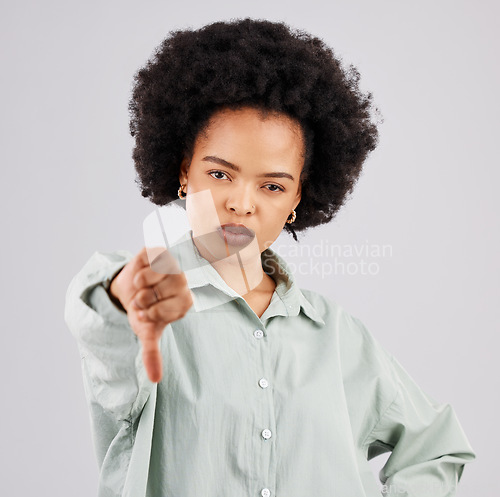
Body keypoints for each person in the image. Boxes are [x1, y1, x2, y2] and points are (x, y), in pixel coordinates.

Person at [64, 18, 476, 497]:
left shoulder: (337, 336)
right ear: (184, 172)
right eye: (220, 175)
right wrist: (122, 292)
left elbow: (436, 447)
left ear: (299, 197)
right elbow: (102, 319)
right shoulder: (150, 317)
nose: (242, 202)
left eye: (273, 185)